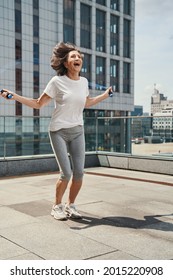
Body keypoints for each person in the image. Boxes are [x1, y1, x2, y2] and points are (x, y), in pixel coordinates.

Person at [1, 42, 112, 221]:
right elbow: (38, 103)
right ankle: (57, 206)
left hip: (77, 131)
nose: (78, 59)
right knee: (66, 173)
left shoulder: (83, 82)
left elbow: (87, 103)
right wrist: (14, 96)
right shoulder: (57, 81)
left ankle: (71, 205)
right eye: (74, 56)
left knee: (79, 173)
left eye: (80, 57)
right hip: (58, 131)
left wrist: (105, 95)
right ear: (66, 62)